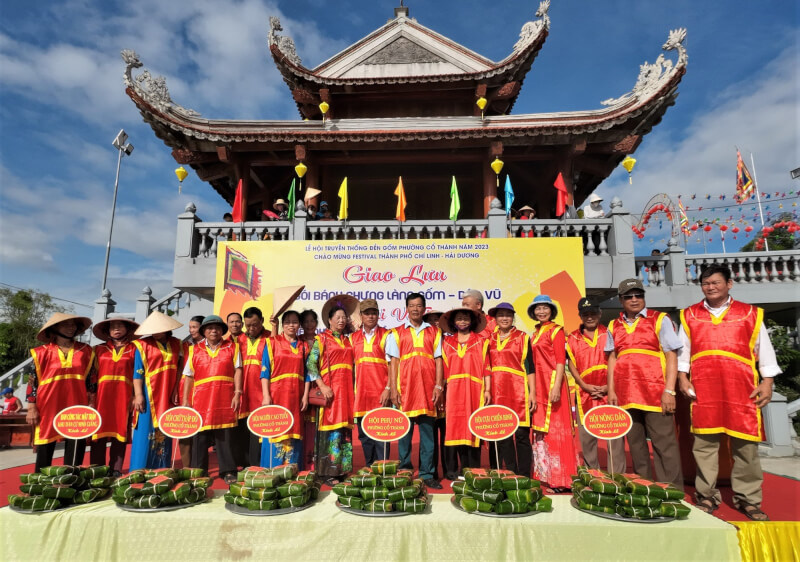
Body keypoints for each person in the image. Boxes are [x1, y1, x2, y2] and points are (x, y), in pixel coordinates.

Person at [677, 265, 781, 520]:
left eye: (715, 282)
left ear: (729, 284)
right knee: (704, 446)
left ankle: (749, 499)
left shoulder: (750, 314)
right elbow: (684, 352)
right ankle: (706, 495)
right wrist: (682, 377)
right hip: (704, 388)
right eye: (705, 283)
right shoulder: (690, 314)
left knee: (745, 447)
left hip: (741, 388)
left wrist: (767, 381)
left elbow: (764, 350)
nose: (710, 287)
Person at [606, 278, 684, 489]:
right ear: (621, 300)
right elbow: (612, 358)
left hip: (655, 393)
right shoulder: (614, 324)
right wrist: (611, 390)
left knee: (664, 445)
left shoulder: (660, 319)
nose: (634, 300)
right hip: (625, 394)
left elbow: (671, 355)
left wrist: (670, 391)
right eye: (629, 296)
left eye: (638, 295)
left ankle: (672, 492)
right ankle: (644, 490)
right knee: (636, 445)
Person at [386, 292, 444, 489]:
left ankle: (427, 473)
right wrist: (393, 389)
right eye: (412, 305)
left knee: (428, 436)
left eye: (419, 305)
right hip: (406, 389)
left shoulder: (435, 332)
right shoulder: (396, 332)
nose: (415, 309)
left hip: (428, 390)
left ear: (424, 308)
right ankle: (404, 470)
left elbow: (438, 360)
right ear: (406, 308)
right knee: (405, 435)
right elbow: (394, 363)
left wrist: (438, 386)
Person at [27, 313, 96, 471]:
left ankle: (71, 480)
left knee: (76, 440)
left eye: (73, 325)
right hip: (48, 403)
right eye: (66, 324)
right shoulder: (41, 352)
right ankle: (41, 483)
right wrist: (31, 407)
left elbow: (92, 380)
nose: (71, 327)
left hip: (77, 401)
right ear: (55, 328)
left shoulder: (86, 351)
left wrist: (92, 403)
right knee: (45, 441)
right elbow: (32, 382)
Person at [566, 298, 626, 473]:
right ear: (580, 316)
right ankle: (594, 475)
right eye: (585, 314)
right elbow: (571, 363)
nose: (589, 317)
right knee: (587, 438)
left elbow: (618, 360)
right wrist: (583, 384)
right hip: (585, 392)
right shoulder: (572, 338)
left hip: (610, 390)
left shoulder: (610, 333)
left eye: (593, 313)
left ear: (600, 313)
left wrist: (609, 386)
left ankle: (617, 475)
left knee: (614, 434)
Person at [528, 295, 579, 491]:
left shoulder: (556, 331)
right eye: (538, 308)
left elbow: (560, 360)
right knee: (542, 430)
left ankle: (563, 479)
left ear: (551, 310)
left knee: (557, 430)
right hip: (538, 385)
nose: (541, 312)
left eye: (545, 308)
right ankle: (546, 474)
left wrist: (557, 386)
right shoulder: (536, 333)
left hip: (552, 383)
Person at [183, 315, 242, 483]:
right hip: (201, 398)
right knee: (200, 436)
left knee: (225, 435)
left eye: (217, 328)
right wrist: (186, 401)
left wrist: (238, 392)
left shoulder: (232, 347)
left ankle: (228, 470)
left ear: (222, 331)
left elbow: (238, 370)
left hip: (225, 396)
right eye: (209, 328)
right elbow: (188, 376)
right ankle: (199, 471)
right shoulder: (194, 349)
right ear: (204, 331)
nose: (213, 331)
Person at [308, 296, 356, 485]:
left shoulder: (348, 339)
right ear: (329, 320)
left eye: (344, 317)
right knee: (331, 431)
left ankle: (343, 470)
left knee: (344, 431)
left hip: (347, 393)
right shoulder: (322, 339)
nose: (341, 320)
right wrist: (322, 385)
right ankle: (327, 472)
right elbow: (311, 365)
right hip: (330, 391)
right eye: (338, 317)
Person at [130, 311, 184, 471]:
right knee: (144, 433)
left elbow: (180, 368)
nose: (155, 331)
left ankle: (162, 469)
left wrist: (176, 389)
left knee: (165, 430)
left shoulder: (177, 343)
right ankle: (139, 470)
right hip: (148, 393)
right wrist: (138, 394)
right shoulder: (142, 345)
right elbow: (137, 373)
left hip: (167, 393)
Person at [439, 307, 490, 472]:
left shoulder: (481, 341)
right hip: (453, 391)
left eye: (466, 318)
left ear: (472, 321)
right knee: (456, 426)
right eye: (459, 318)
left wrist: (487, 390)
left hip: (474, 389)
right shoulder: (446, 343)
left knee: (472, 425)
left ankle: (473, 468)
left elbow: (487, 368)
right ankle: (459, 470)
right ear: (454, 322)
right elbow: (442, 370)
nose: (462, 321)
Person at [486, 302, 534, 476]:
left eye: (508, 315)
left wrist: (532, 393)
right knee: (503, 435)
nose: (504, 318)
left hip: (518, 390)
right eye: (501, 315)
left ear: (512, 317)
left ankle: (524, 474)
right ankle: (511, 472)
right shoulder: (489, 340)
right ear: (495, 319)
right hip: (497, 393)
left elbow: (530, 368)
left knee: (521, 435)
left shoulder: (523, 337)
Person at [260, 310, 311, 467]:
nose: (291, 325)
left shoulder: (304, 346)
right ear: (283, 324)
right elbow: (265, 371)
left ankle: (292, 469)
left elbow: (309, 373)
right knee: (276, 428)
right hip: (277, 394)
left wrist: (305, 396)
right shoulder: (272, 343)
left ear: (299, 325)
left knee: (294, 429)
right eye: (287, 322)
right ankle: (272, 468)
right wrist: (266, 395)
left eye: (294, 322)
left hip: (296, 395)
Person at [90, 318, 139, 475]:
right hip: (101, 396)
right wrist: (91, 398)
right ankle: (97, 468)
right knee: (98, 431)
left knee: (121, 431)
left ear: (127, 329)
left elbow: (139, 374)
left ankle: (116, 468)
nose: (116, 329)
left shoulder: (135, 349)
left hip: (124, 395)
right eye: (113, 327)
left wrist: (134, 396)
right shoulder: (98, 349)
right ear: (107, 331)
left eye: (120, 326)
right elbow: (92, 375)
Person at [351, 298, 391, 465]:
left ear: (378, 314)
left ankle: (382, 469)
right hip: (361, 394)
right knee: (365, 436)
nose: (371, 316)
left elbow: (393, 366)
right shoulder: (352, 338)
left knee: (381, 434)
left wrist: (388, 388)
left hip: (380, 393)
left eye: (374, 313)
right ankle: (369, 468)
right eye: (367, 313)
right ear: (361, 315)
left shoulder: (387, 335)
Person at [236, 307, 271, 467]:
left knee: (258, 428)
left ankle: (257, 464)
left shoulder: (270, 338)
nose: (251, 328)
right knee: (242, 429)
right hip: (242, 391)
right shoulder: (238, 340)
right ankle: (243, 464)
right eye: (248, 325)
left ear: (262, 321)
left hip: (260, 391)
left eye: (255, 325)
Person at [422, 309, 448, 479]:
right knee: (429, 434)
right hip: (429, 393)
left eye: (437, 320)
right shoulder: (426, 339)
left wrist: (442, 386)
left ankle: (449, 470)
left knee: (447, 435)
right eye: (431, 321)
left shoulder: (450, 341)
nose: (434, 324)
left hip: (448, 392)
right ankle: (431, 471)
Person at [178, 315, 204, 468]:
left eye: (194, 327)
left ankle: (198, 466)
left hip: (201, 390)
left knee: (200, 432)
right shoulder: (184, 346)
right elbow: (180, 369)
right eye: (190, 327)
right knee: (184, 429)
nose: (191, 330)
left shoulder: (209, 345)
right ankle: (186, 467)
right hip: (185, 389)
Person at [299, 309, 320, 469]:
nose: (309, 324)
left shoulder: (322, 340)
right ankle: (302, 462)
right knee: (303, 426)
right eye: (305, 321)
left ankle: (316, 462)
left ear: (316, 323)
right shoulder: (298, 341)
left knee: (317, 427)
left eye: (312, 321)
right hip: (302, 387)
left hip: (319, 387)